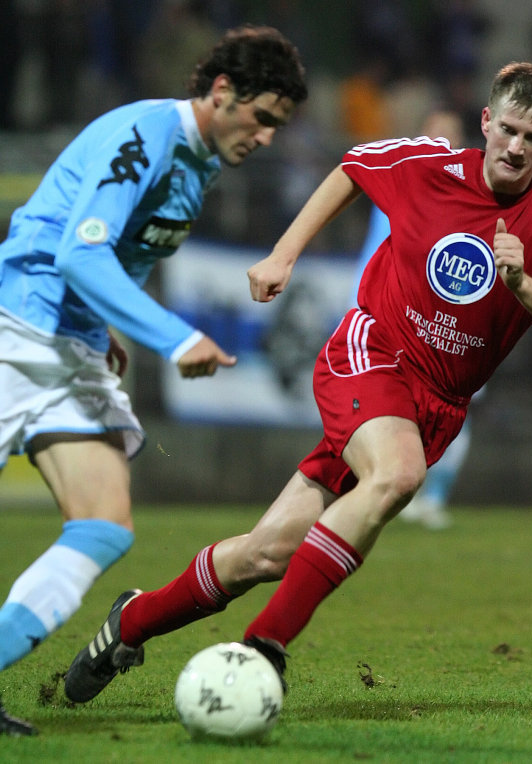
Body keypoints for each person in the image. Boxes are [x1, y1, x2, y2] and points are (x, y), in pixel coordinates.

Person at [64, 62, 532, 705]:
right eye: (509, 130)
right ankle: (264, 646)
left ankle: (132, 622)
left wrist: (523, 285)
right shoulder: (429, 164)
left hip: (436, 407)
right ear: (487, 122)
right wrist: (284, 253)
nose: (516, 147)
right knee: (398, 475)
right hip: (373, 353)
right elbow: (353, 166)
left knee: (266, 555)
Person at [0, 25, 307, 735]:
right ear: (222, 91)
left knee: (103, 525)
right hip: (20, 330)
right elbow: (80, 255)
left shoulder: (199, 165)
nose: (265, 137)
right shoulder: (146, 137)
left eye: (278, 126)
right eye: (261, 117)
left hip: (67, 347)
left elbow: (122, 257)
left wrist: (107, 326)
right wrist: (175, 337)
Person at [353, 108, 478, 530]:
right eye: (434, 133)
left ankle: (434, 495)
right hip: (395, 313)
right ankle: (388, 486)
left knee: (452, 409)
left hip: (454, 320)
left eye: (449, 134)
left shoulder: (475, 194)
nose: (440, 141)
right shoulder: (401, 178)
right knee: (389, 403)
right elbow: (376, 247)